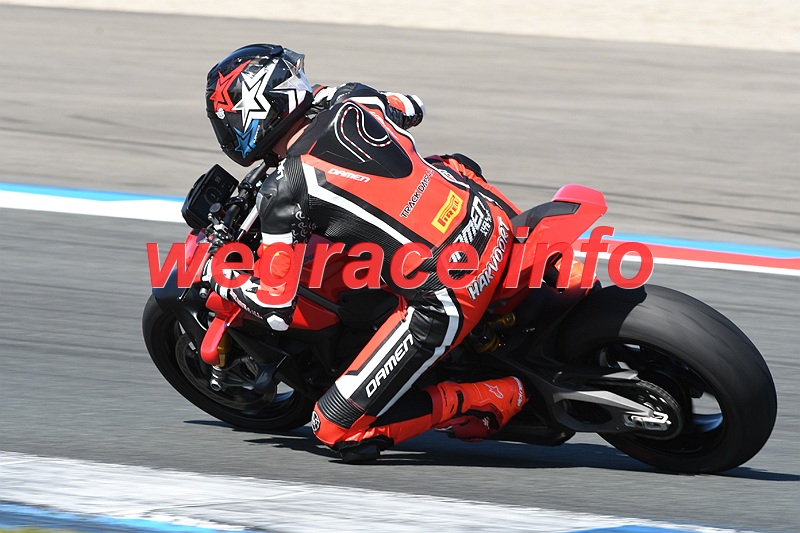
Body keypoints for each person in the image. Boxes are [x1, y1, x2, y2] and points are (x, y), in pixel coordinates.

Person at [203, 43, 529, 463]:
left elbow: (276, 306)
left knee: (333, 428)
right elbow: (412, 107)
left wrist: (224, 280)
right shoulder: (353, 98)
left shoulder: (283, 192)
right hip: (490, 219)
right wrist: (327, 98)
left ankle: (492, 395)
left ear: (249, 116)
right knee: (445, 163)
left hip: (450, 288)